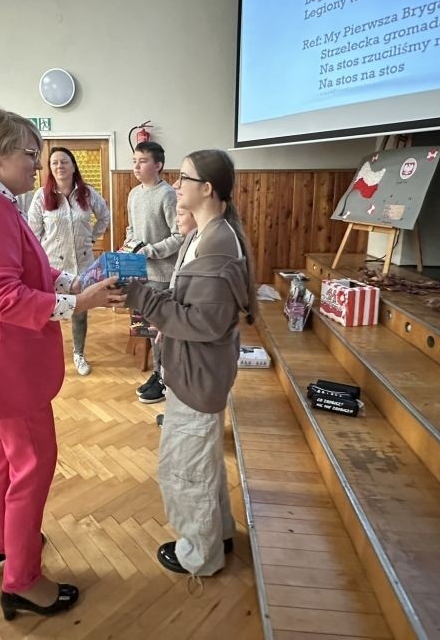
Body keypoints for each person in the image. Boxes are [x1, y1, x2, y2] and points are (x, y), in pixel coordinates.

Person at [0, 106, 123, 620]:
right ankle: (22, 580)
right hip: (6, 360)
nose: (37, 166)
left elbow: (26, 268)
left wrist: (69, 283)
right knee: (33, 463)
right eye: (29, 155)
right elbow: (2, 296)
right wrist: (79, 304)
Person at [123, 149, 257, 578]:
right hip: (192, 368)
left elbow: (203, 321)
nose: (177, 184)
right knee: (203, 460)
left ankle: (200, 555)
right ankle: (219, 533)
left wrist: (141, 297)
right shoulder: (206, 232)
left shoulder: (217, 241)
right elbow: (190, 304)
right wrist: (157, 303)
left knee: (187, 469)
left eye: (185, 177)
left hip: (198, 373)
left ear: (207, 189)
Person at [27, 147, 110, 376]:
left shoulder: (87, 194)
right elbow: (32, 233)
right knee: (47, 311)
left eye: (64, 162)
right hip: (52, 266)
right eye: (54, 163)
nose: (59, 167)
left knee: (79, 311)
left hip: (82, 265)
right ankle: (45, 355)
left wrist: (93, 236)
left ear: (73, 166)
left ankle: (79, 354)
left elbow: (105, 216)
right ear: (50, 169)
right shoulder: (41, 196)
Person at [126, 140, 183, 403]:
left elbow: (179, 236)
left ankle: (164, 379)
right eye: (134, 161)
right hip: (139, 273)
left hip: (161, 274)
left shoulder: (168, 195)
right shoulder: (133, 194)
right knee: (148, 329)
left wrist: (149, 251)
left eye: (143, 161)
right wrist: (130, 248)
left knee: (162, 329)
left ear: (158, 165)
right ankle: (158, 374)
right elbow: (131, 230)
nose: (136, 166)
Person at [153, 202, 197, 429]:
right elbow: (177, 283)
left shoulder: (205, 245)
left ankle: (182, 422)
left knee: (183, 373)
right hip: (174, 317)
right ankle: (174, 415)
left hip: (186, 324)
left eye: (180, 214)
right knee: (171, 370)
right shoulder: (190, 239)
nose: (176, 220)